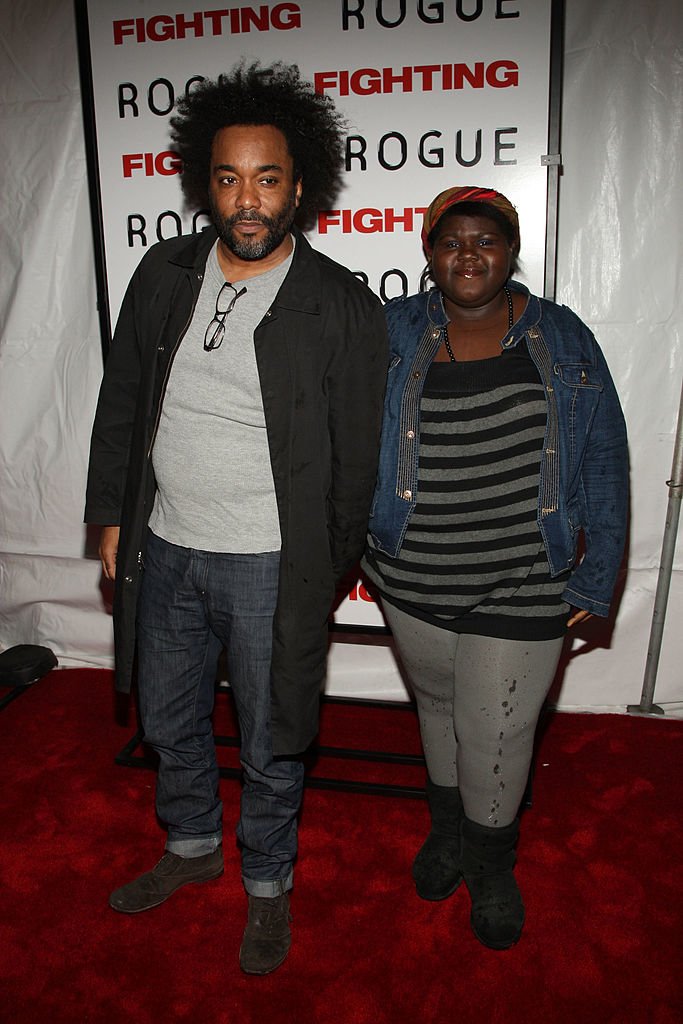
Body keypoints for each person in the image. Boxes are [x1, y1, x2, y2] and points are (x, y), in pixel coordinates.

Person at [85, 62, 387, 975]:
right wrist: (110, 515)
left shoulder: (339, 305)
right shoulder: (164, 271)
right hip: (166, 544)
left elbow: (354, 461)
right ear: (203, 184)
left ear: (300, 186)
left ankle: (265, 885)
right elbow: (125, 397)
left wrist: (324, 565)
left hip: (269, 564)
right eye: (228, 178)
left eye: (266, 179)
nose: (246, 200)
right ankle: (189, 848)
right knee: (170, 716)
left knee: (271, 736)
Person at [363, 185, 628, 950]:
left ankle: (490, 863)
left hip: (523, 574)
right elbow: (345, 438)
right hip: (411, 574)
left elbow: (606, 458)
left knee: (498, 732)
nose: (468, 255)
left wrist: (596, 570)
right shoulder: (390, 331)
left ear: (511, 251)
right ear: (427, 251)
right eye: (452, 241)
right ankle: (447, 833)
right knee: (440, 711)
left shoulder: (563, 335)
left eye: (486, 240)